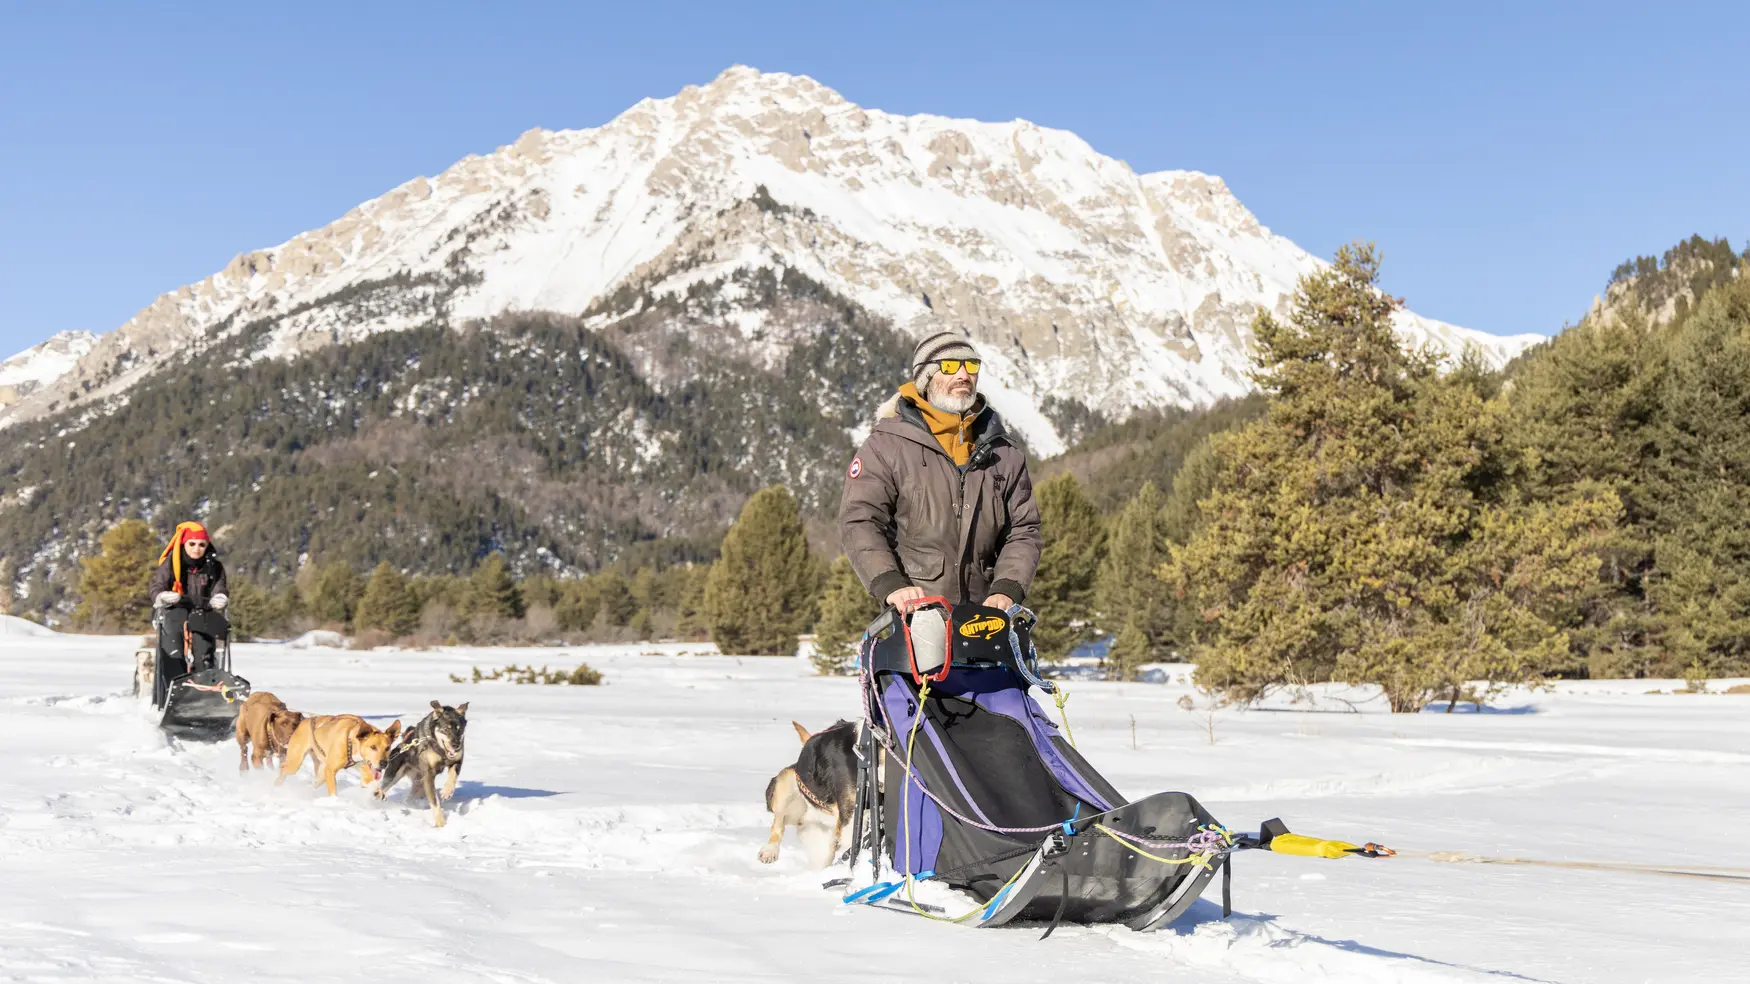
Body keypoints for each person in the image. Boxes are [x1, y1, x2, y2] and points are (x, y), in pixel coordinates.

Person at [838, 331, 1041, 615]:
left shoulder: (1004, 453)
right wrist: (891, 584)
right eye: (949, 366)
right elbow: (860, 520)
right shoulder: (886, 445)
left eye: (971, 366)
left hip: (985, 618)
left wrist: (1007, 587)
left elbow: (1023, 530)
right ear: (926, 378)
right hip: (914, 615)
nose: (963, 374)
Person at [147, 522, 229, 707]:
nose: (197, 548)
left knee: (204, 649)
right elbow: (156, 586)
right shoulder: (172, 562)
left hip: (202, 610)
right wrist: (162, 596)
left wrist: (220, 597)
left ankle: (205, 693)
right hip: (174, 609)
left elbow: (219, 586)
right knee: (174, 647)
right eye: (192, 544)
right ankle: (174, 692)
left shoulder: (214, 566)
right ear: (184, 544)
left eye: (201, 544)